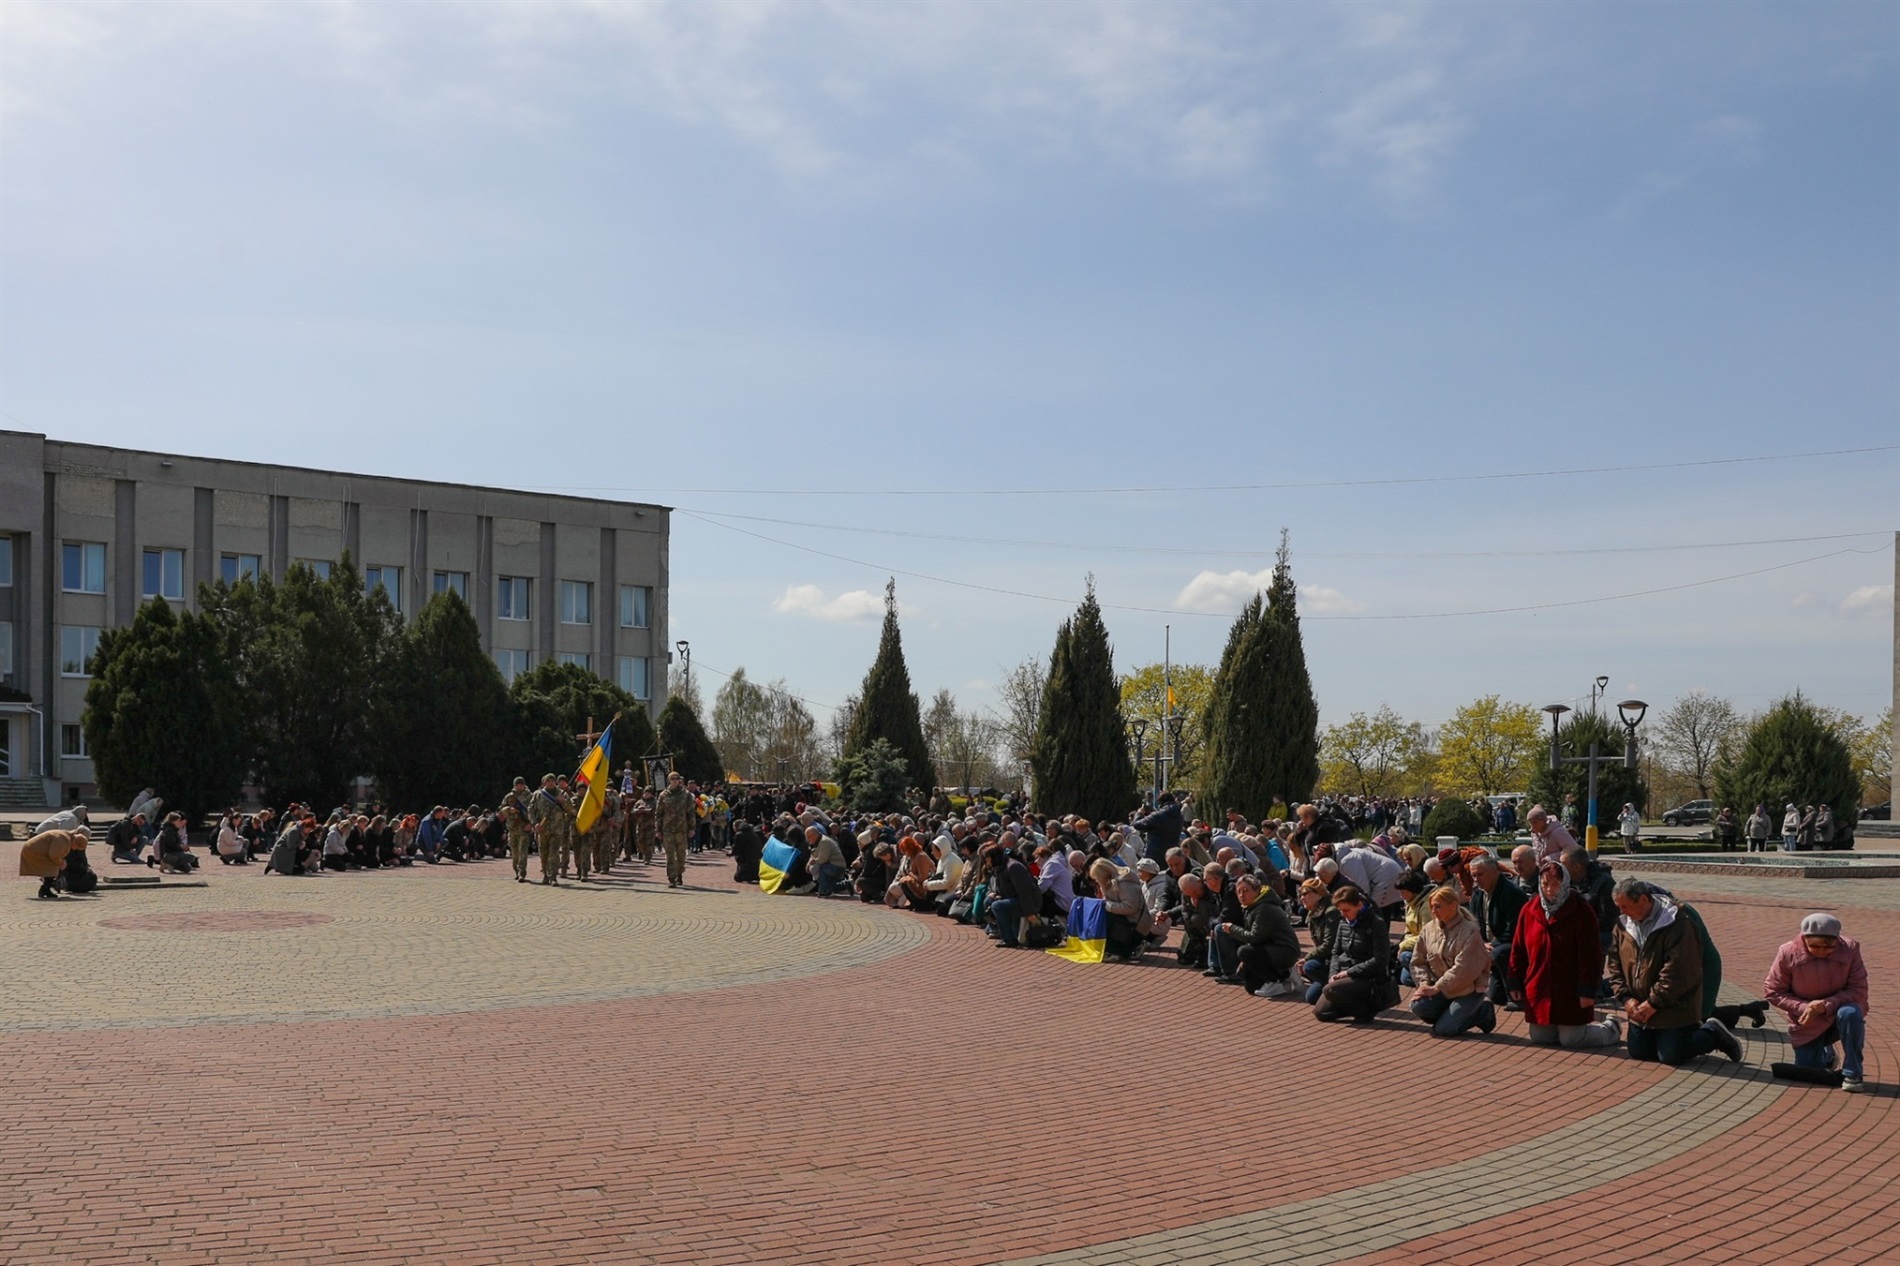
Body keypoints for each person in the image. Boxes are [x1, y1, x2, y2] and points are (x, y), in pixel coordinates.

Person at [1605, 878, 1742, 1065]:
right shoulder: (1623, 924)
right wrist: (1626, 998)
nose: (1622, 912)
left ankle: (1712, 1033)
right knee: (1640, 1052)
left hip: (1674, 1005)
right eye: (1619, 906)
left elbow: (1679, 971)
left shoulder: (1677, 921)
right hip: (1640, 1007)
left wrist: (1654, 1002)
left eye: (1625, 906)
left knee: (1671, 1055)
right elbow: (1614, 963)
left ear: (1644, 900)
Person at [1509, 860, 1620, 1049]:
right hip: (1540, 985)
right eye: (1545, 884)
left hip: (1570, 988)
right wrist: (1515, 980)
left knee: (1571, 1040)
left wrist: (1587, 989)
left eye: (1555, 884)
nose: (1550, 889)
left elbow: (1591, 955)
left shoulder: (1581, 910)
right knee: (1540, 1037)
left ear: (1565, 883)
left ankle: (1610, 1028)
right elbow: (1518, 948)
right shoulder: (1530, 909)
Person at [1764, 913, 1870, 1091]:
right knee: (1810, 1070)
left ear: (1837, 940)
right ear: (1804, 938)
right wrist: (1806, 1007)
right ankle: (1827, 1053)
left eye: (1829, 947)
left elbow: (1858, 990)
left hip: (1840, 1009)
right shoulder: (1787, 952)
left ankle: (1853, 1073)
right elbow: (1773, 991)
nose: (1822, 951)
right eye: (1815, 946)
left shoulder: (1850, 949)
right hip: (1807, 1019)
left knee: (1850, 1013)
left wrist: (1824, 1005)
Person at [1408, 886, 1496, 1038]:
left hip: (1467, 990)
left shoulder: (1470, 931)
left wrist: (1437, 988)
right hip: (1441, 989)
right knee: (1418, 1006)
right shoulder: (1428, 929)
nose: (1434, 911)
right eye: (1432, 907)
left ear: (1453, 906)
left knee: (1444, 1030)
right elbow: (1418, 960)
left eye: (1438, 906)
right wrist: (1424, 984)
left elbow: (1462, 969)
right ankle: (1452, 1014)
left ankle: (1482, 1012)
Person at [1313, 885, 1393, 1023]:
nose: (1343, 914)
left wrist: (1350, 972)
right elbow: (1336, 952)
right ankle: (1350, 1004)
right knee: (1321, 1012)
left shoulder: (1376, 923)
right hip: (1345, 972)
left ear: (1359, 905)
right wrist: (1332, 974)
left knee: (1330, 990)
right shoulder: (1344, 922)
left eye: (1346, 910)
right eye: (1340, 910)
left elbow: (1381, 959)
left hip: (1368, 977)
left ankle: (1366, 1010)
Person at [1213, 874, 1302, 997]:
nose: (1242, 895)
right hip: (1269, 949)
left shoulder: (1264, 908)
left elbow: (1255, 937)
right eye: (1239, 892)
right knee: (1251, 986)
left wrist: (1232, 929)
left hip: (1284, 951)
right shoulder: (1250, 907)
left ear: (1257, 891)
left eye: (1246, 891)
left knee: (1244, 951)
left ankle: (1277, 979)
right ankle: (1282, 976)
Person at [1468, 854, 1526, 1008]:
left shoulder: (1512, 893)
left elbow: (1514, 928)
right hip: (1488, 945)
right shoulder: (1477, 893)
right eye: (1473, 875)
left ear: (1495, 872)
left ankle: (1517, 995)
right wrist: (1480, 943)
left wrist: (1491, 945)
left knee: (1500, 952)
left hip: (1510, 945)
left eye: (1480, 874)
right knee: (1495, 996)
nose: (1476, 879)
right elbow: (1472, 923)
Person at [1093, 858, 1152, 962]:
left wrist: (1108, 905)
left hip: (1136, 924)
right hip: (1128, 921)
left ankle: (1116, 951)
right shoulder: (1109, 884)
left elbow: (1131, 907)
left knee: (1105, 917)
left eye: (1097, 877)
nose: (1096, 880)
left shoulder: (1124, 883)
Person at [985, 846, 1042, 949]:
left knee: (997, 906)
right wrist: (997, 895)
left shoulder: (1013, 867)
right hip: (1015, 899)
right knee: (990, 902)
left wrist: (1030, 913)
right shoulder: (1001, 867)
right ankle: (1007, 933)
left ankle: (1009, 939)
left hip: (1028, 902)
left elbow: (1025, 892)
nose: (987, 863)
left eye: (988, 860)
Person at [655, 773, 698, 888]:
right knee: (669, 854)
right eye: (672, 779)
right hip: (667, 829)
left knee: (681, 854)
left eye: (677, 779)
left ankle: (679, 873)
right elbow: (659, 813)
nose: (675, 781)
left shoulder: (686, 795)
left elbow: (690, 813)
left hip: (681, 829)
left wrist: (692, 828)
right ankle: (671, 877)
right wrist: (658, 829)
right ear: (669, 781)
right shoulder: (663, 795)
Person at [21, 828, 88, 899]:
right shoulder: (63, 840)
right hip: (33, 850)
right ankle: (45, 889)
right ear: (75, 843)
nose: (74, 849)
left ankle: (46, 889)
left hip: (33, 849)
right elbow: (54, 855)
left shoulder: (66, 837)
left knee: (53, 867)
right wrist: (61, 862)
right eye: (76, 847)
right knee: (53, 866)